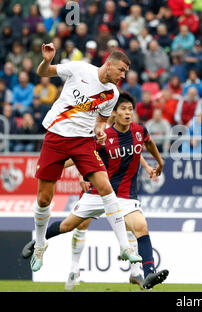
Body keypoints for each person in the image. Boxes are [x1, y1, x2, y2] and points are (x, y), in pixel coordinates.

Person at [22, 93, 169, 290]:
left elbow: (146, 144)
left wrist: (158, 163)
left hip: (125, 196)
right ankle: (39, 241)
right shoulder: (103, 137)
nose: (128, 113)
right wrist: (66, 168)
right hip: (99, 193)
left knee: (141, 227)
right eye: (123, 109)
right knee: (67, 226)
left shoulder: (139, 131)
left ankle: (149, 274)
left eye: (130, 110)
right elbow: (78, 156)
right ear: (114, 114)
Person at [25, 43, 141, 273]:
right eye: (120, 70)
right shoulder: (79, 69)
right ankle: (40, 243)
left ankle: (125, 247)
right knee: (44, 199)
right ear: (108, 65)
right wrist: (47, 60)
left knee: (106, 188)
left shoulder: (112, 94)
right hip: (56, 137)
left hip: (83, 142)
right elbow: (43, 73)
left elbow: (101, 120)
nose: (122, 76)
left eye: (125, 72)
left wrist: (99, 131)